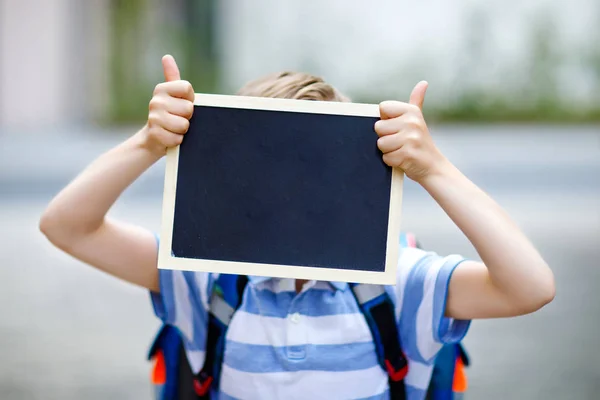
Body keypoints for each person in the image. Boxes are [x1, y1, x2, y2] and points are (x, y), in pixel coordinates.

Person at [39, 55, 555, 400]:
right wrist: (149, 143)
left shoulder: (398, 284)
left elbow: (530, 287)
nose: (290, 192)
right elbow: (67, 226)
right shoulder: (202, 279)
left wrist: (435, 170)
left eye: (314, 170)